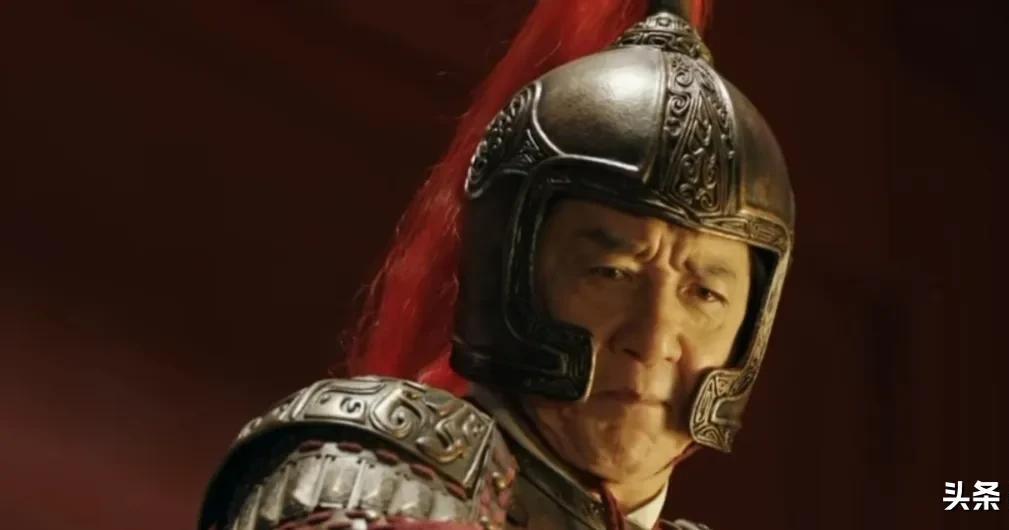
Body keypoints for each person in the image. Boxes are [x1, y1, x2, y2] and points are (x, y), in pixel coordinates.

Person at [198, 0, 794, 528]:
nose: (654, 337)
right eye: (612, 272)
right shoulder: (370, 483)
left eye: (705, 294)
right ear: (509, 273)